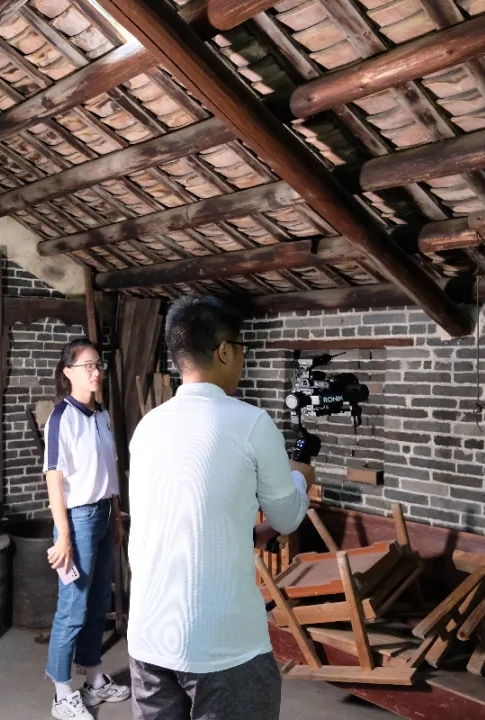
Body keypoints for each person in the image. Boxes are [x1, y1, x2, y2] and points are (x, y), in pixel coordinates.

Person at [126, 296, 314, 720]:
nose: (242, 360)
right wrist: (301, 477)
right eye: (242, 349)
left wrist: (249, 533)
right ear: (224, 350)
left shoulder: (148, 426)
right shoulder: (251, 422)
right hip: (223, 645)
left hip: (149, 636)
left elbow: (186, 515)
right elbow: (288, 517)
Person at [42, 338, 130, 720]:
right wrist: (63, 536)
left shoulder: (101, 414)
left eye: (98, 365)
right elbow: (54, 478)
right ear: (68, 373)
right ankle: (62, 693)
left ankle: (94, 680)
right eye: (87, 366)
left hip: (104, 515)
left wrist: (117, 515)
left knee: (97, 603)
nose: (95, 372)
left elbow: (109, 469)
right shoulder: (62, 417)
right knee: (73, 608)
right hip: (77, 521)